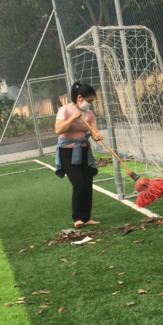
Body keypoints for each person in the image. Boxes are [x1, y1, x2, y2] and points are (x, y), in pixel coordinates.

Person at [55, 82, 104, 228]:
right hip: (67, 152)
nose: (90, 104)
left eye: (91, 102)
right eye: (88, 101)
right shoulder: (64, 110)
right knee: (79, 184)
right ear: (79, 98)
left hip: (83, 151)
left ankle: (86, 218)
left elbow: (93, 132)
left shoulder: (90, 114)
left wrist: (97, 136)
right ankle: (77, 218)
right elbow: (58, 130)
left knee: (88, 184)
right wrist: (73, 118)